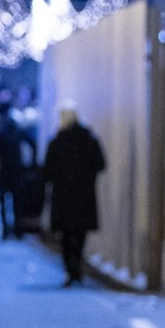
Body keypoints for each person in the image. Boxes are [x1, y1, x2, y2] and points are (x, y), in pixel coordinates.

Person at [42, 102, 106, 287]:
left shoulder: (57, 141)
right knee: (80, 233)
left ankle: (70, 270)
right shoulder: (89, 139)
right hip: (85, 195)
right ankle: (77, 267)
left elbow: (47, 171)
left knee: (66, 235)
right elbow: (101, 164)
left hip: (63, 196)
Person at [0, 102, 38, 239]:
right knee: (17, 201)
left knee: (3, 201)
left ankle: (5, 230)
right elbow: (32, 144)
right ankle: (18, 229)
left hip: (3, 170)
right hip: (17, 169)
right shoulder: (16, 128)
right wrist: (30, 164)